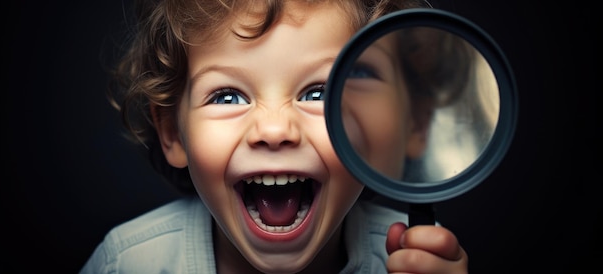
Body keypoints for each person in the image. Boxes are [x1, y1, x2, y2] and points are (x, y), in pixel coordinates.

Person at [81, 0, 469, 273]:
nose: (274, 130)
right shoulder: (128, 263)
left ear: (411, 125)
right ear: (172, 133)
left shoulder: (415, 261)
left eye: (319, 93)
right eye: (228, 96)